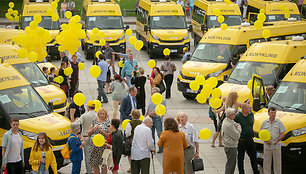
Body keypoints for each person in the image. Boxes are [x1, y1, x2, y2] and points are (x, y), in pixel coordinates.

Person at [234, 104, 259, 174]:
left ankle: (256, 171)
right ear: (244, 109)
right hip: (241, 141)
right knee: (241, 158)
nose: (250, 110)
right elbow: (233, 125)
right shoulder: (238, 116)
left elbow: (252, 123)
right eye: (249, 108)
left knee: (253, 157)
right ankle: (241, 172)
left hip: (250, 140)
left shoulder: (251, 115)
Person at [260, 107, 285, 174]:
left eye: (274, 113)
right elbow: (261, 134)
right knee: (266, 164)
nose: (273, 114)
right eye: (272, 113)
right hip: (267, 147)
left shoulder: (279, 122)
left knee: (277, 164)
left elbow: (282, 134)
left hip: (276, 147)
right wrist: (266, 141)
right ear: (268, 113)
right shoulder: (264, 123)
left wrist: (277, 140)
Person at [75, 101, 97, 174]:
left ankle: (89, 171)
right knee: (96, 155)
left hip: (86, 137)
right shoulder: (97, 115)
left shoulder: (84, 116)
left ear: (88, 107)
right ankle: (96, 171)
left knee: (88, 156)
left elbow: (78, 123)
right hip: (96, 138)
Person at [88, 107, 111, 174]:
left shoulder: (108, 122)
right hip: (94, 146)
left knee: (103, 164)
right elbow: (89, 133)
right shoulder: (94, 121)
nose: (102, 115)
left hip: (103, 146)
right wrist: (93, 130)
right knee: (94, 164)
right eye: (100, 113)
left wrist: (101, 130)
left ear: (105, 114)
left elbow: (109, 135)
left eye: (103, 114)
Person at [145, 87, 166, 153]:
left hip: (157, 119)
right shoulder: (152, 98)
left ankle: (161, 147)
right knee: (151, 133)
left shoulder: (162, 100)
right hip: (150, 118)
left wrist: (154, 112)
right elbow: (149, 106)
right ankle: (152, 147)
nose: (151, 93)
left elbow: (163, 110)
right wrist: (146, 114)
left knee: (160, 133)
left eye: (153, 92)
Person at [221, 108, 242, 174]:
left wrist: (236, 126)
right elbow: (237, 136)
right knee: (231, 164)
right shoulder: (229, 125)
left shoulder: (228, 120)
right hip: (231, 146)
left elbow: (235, 123)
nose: (235, 115)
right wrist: (238, 127)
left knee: (231, 163)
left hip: (229, 145)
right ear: (229, 115)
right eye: (233, 114)